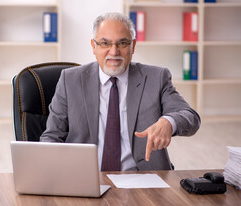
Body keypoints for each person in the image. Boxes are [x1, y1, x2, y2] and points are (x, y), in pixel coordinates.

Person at [40, 12, 200, 171]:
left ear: (133, 46)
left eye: (122, 43)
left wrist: (169, 122)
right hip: (85, 177)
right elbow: (52, 136)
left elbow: (190, 116)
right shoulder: (70, 80)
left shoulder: (156, 78)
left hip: (144, 179)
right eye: (105, 43)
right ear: (93, 46)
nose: (114, 52)